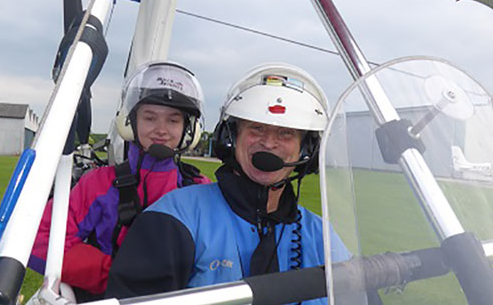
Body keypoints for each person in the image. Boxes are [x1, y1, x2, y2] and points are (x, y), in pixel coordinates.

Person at [106, 63, 349, 303]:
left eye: (286, 133)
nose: (269, 143)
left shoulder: (321, 235)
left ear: (306, 150)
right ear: (231, 138)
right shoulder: (172, 218)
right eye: (256, 128)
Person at [29, 61, 211, 301]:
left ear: (189, 130)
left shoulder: (201, 190)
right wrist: (116, 274)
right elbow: (40, 240)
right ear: (130, 122)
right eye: (150, 117)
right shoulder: (98, 184)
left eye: (173, 120)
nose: (161, 130)